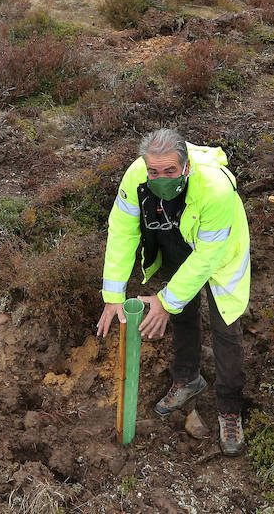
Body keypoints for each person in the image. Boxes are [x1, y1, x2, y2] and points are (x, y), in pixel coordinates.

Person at [96, 128, 251, 456]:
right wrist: (112, 295)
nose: (160, 177)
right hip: (178, 238)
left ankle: (229, 407)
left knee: (225, 325)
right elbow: (122, 231)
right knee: (182, 312)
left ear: (186, 166)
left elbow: (208, 257)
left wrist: (166, 300)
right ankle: (187, 378)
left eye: (169, 171)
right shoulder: (136, 178)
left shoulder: (216, 189)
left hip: (221, 250)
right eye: (154, 171)